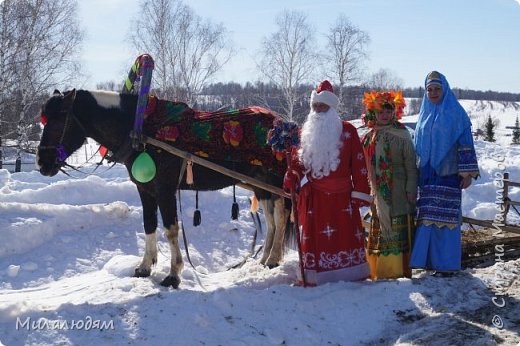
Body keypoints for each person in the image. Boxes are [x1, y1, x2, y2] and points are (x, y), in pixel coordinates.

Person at [284, 80, 372, 286]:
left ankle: (349, 273)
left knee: (343, 237)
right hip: (315, 199)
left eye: (323, 106)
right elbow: (299, 162)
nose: (318, 110)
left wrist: (360, 192)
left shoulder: (348, 131)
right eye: (315, 106)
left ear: (332, 107)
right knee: (317, 239)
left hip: (342, 199)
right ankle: (316, 275)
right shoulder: (305, 133)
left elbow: (359, 164)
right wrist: (292, 175)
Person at [410, 71, 479, 276]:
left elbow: (466, 142)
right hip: (427, 175)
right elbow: (417, 145)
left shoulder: (455, 113)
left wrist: (466, 174)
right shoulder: (424, 113)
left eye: (437, 89)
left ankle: (446, 263)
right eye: (429, 89)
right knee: (426, 216)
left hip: (449, 174)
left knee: (447, 217)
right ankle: (425, 260)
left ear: (445, 89)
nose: (433, 93)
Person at [360, 90, 417, 280]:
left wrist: (411, 189)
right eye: (380, 112)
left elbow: (410, 164)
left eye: (388, 111)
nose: (384, 115)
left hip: (399, 189)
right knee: (380, 224)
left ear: (394, 112)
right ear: (373, 114)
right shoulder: (369, 136)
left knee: (396, 224)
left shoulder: (402, 134)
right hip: (378, 192)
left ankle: (396, 270)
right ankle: (379, 270)